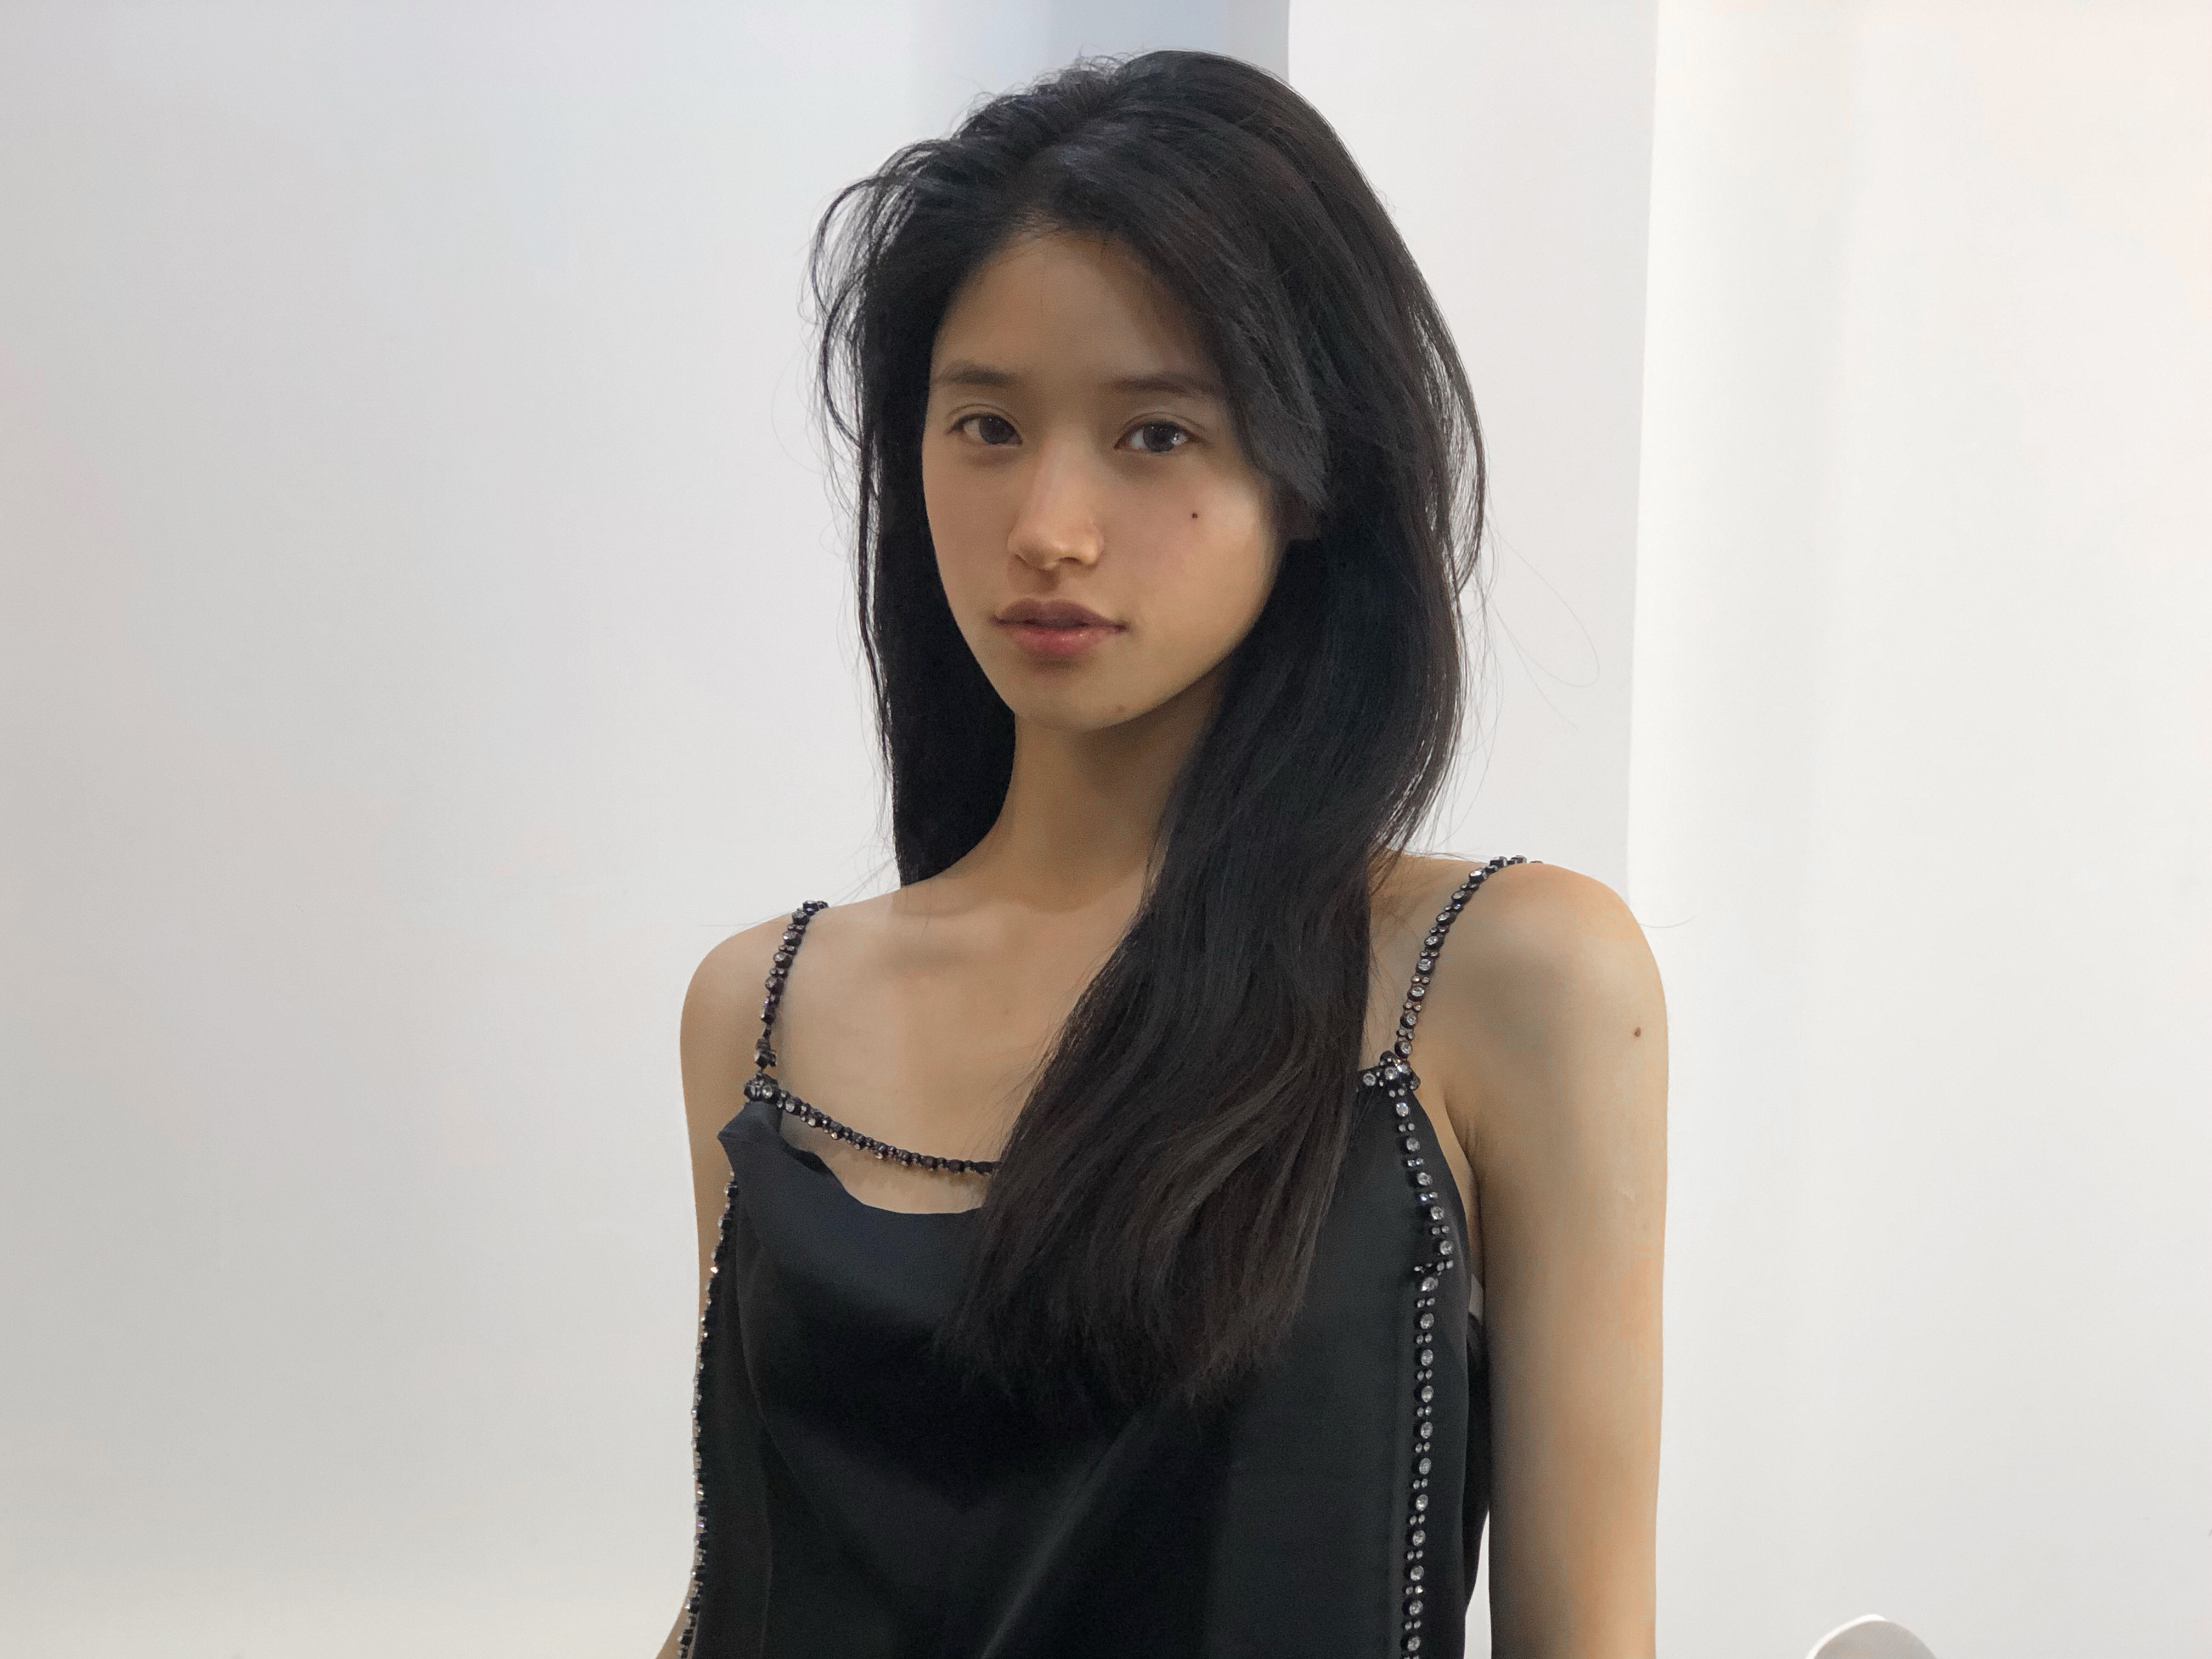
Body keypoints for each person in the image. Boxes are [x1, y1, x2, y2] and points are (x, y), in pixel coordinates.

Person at [661, 50, 1665, 1659]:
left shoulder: (1501, 979)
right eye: (987, 425)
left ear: (1314, 472)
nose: (1048, 526)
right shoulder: (762, 1012)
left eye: (1154, 434)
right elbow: (739, 1593)